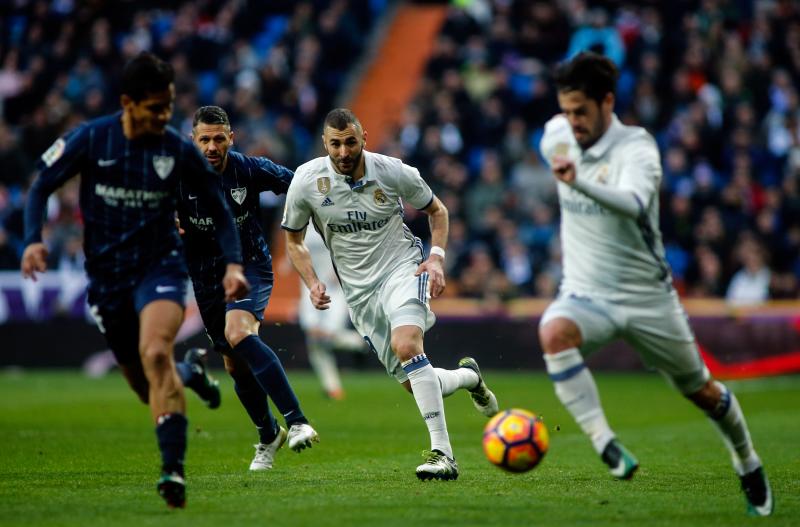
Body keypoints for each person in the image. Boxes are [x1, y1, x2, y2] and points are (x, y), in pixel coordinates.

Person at [537, 52, 773, 516]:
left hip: (648, 297)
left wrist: (579, 182)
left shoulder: (637, 149)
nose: (572, 121)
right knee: (552, 332)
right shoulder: (555, 137)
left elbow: (632, 202)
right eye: (566, 110)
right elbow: (561, 147)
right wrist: (573, 168)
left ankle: (748, 462)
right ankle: (606, 445)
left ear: (607, 102)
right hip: (587, 292)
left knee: (702, 391)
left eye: (581, 110)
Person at [21, 52, 250, 509]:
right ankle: (191, 376)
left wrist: (233, 264)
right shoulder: (92, 139)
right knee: (146, 383)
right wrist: (32, 239)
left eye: (167, 107)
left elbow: (219, 208)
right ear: (127, 103)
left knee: (154, 351)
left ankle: (174, 471)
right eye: (154, 108)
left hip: (160, 268)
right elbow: (40, 184)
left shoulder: (174, 148)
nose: (163, 117)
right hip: (107, 279)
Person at [282, 108, 499, 481]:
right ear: (325, 144)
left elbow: (438, 210)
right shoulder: (307, 181)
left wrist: (436, 258)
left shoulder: (393, 170)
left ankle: (443, 455)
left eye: (351, 142)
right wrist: (312, 281)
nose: (344, 152)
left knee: (407, 345)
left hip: (403, 269)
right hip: (359, 294)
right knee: (417, 383)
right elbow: (294, 239)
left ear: (364, 137)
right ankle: (468, 378)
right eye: (335, 144)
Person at [177, 105, 318, 471]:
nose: (211, 146)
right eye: (204, 139)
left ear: (230, 138)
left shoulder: (249, 169)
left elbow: (299, 183)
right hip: (206, 278)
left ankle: (297, 420)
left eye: (218, 138)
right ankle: (268, 433)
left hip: (250, 266)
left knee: (237, 330)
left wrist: (324, 209)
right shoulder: (177, 177)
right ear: (193, 141)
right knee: (234, 363)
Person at [297, 226, 367, 400]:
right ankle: (332, 388)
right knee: (314, 339)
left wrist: (341, 270)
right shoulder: (298, 220)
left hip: (333, 288)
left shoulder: (331, 216)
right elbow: (293, 250)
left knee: (327, 335)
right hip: (309, 288)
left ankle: (359, 343)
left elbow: (352, 246)